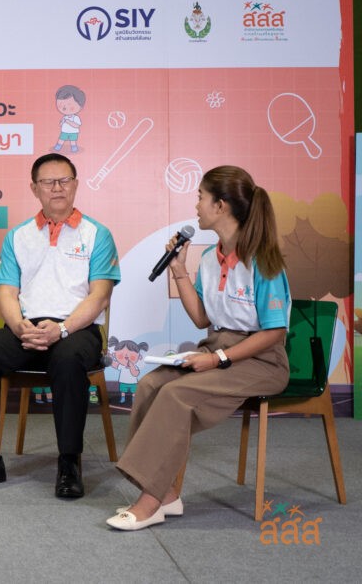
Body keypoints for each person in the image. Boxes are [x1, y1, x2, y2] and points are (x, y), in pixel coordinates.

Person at [107, 166, 290, 530]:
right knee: (151, 384)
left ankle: (150, 500)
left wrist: (219, 358)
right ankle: (167, 495)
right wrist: (178, 269)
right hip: (217, 347)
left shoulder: (264, 261)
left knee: (177, 394)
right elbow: (201, 318)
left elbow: (274, 333)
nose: (196, 206)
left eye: (201, 198)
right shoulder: (209, 259)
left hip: (262, 360)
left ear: (220, 206)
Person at [0, 153, 119, 498]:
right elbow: (7, 292)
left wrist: (63, 329)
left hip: (76, 330)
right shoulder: (18, 236)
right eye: (48, 182)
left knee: (68, 359)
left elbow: (99, 296)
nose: (57, 188)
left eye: (64, 180)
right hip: (26, 328)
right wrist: (19, 327)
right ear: (34, 188)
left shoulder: (97, 234)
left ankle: (69, 462)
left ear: (75, 184)